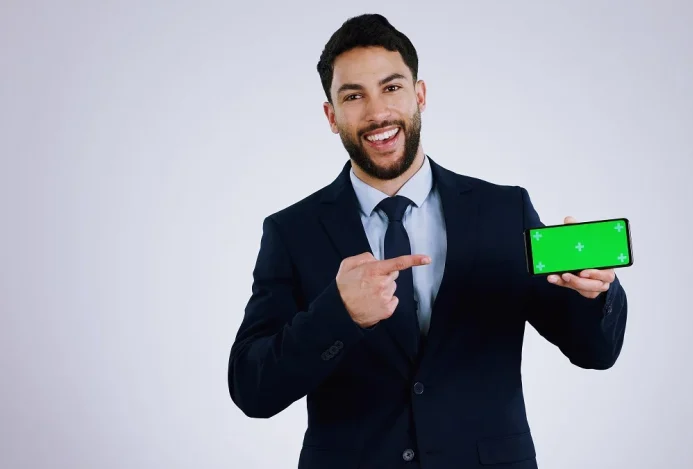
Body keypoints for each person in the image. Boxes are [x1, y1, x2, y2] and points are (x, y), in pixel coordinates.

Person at [227, 13, 628, 469]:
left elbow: (595, 352)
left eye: (392, 87)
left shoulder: (503, 211)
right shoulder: (291, 232)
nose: (377, 112)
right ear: (331, 116)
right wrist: (338, 313)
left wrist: (596, 293)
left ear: (419, 95)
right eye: (353, 96)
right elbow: (252, 389)